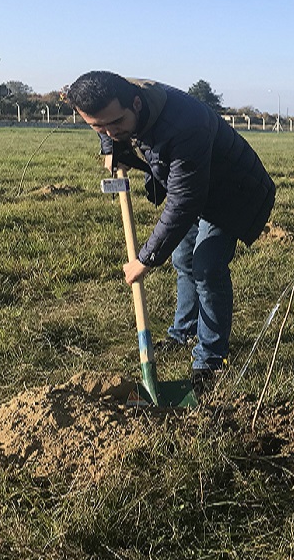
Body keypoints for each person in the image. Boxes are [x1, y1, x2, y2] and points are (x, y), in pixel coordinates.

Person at [67, 71, 275, 396]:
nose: (110, 130)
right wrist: (112, 145)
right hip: (197, 186)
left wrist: (144, 259)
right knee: (183, 258)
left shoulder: (184, 125)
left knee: (207, 267)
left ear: (135, 104)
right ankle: (183, 332)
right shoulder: (123, 103)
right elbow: (110, 124)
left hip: (233, 192)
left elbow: (184, 202)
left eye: (116, 123)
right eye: (98, 126)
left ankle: (209, 362)